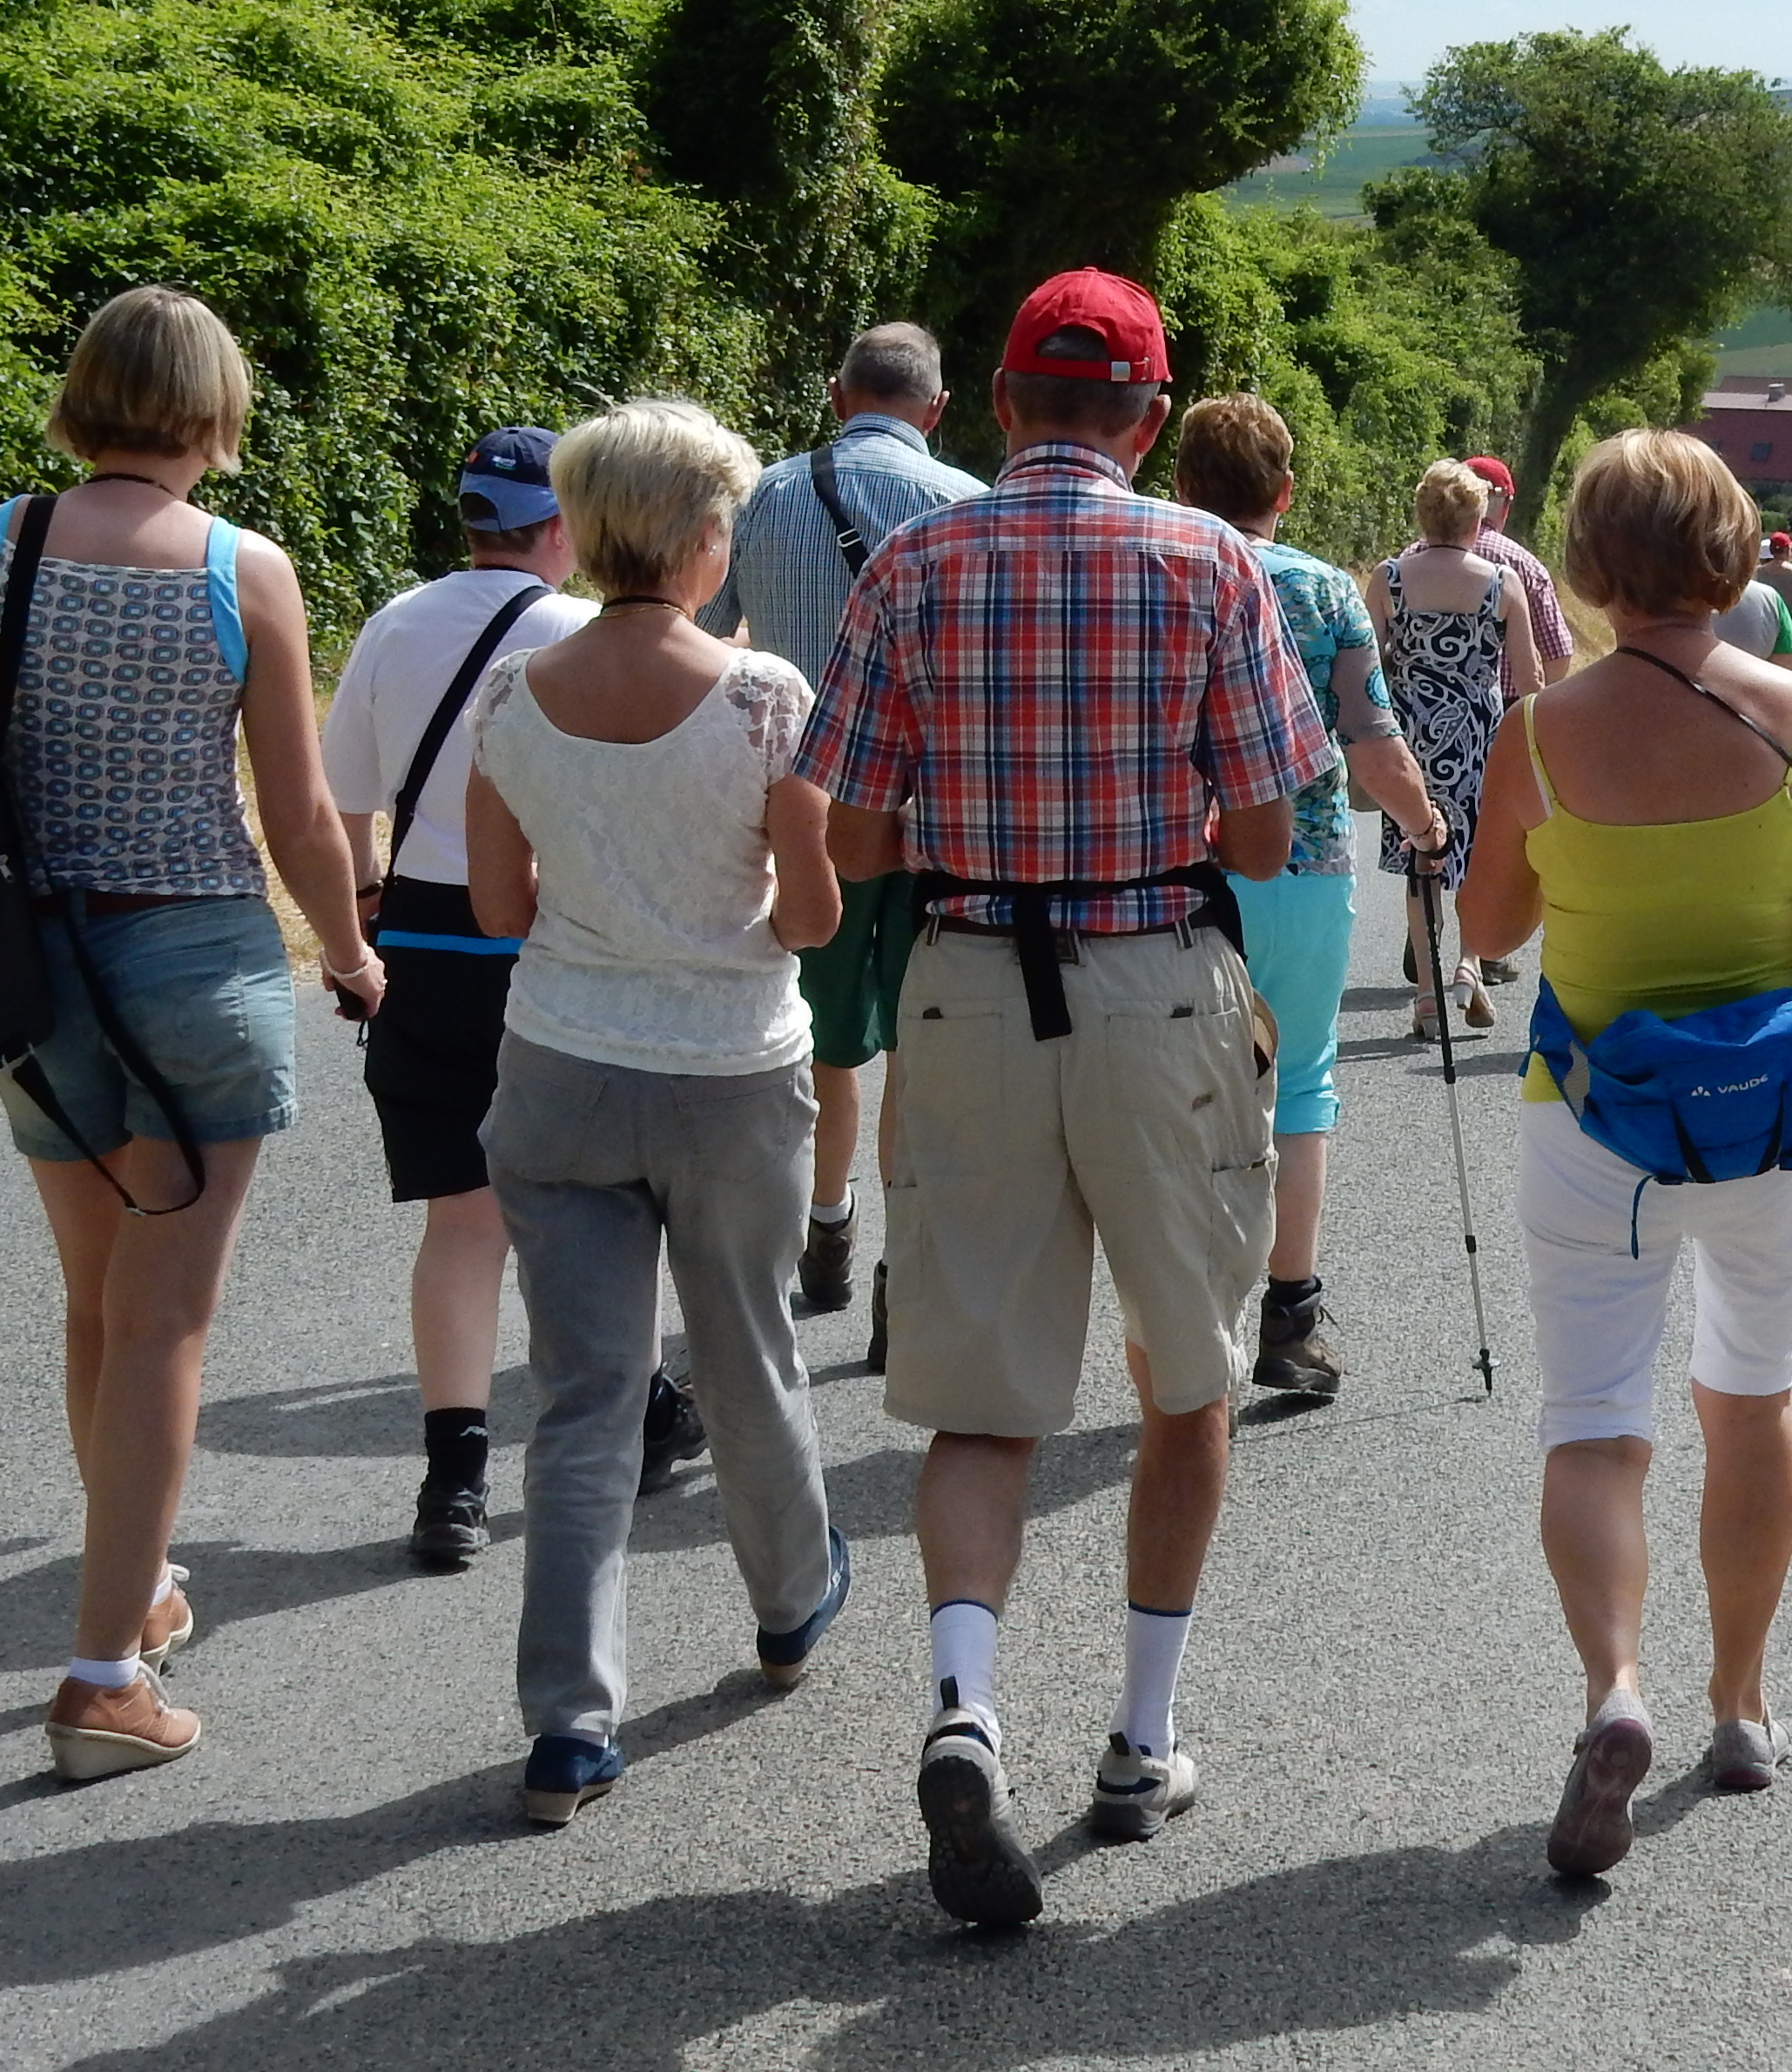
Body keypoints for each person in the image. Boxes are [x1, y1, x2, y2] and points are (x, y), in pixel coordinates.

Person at [801, 268, 1337, 1928]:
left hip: (966, 979)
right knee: (1185, 1381)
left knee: (981, 1400)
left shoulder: (910, 564)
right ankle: (1139, 1739)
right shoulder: (1208, 562)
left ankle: (965, 1703)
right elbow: (1267, 835)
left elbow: (852, 837)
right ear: (1147, 419)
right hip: (1156, 978)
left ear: (1003, 400)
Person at [0, 284, 379, 1786]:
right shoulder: (243, 569)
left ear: (84, 392)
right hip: (193, 962)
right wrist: (349, 951)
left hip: (32, 977)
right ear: (214, 408)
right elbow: (296, 811)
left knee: (99, 1307)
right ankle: (102, 1681)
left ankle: (141, 1587)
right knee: (167, 1322)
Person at [1457, 428, 1792, 1879]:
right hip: (1769, 1122)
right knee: (1750, 1403)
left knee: (1593, 1424)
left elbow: (1487, 930)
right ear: (1735, 549)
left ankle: (1614, 1690)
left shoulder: (1537, 736)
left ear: (1587, 565)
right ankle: (1741, 1706)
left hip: (1591, 1119)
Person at [466, 400, 854, 1831]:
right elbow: (809, 917)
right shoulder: (765, 699)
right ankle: (790, 1604)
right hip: (730, 1072)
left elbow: (499, 907)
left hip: (560, 1067)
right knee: (747, 1353)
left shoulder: (513, 693)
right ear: (701, 537)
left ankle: (568, 1723)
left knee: (584, 1398)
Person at [320, 428, 600, 1571]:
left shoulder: (394, 623)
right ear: (561, 525)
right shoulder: (577, 634)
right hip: (539, 940)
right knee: (584, 1205)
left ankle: (454, 1481)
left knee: (462, 1224)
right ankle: (637, 1408)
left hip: (420, 945)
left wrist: (361, 909)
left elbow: (341, 795)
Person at [704, 321, 986, 1345]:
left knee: (816, 1033)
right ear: (938, 409)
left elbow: (707, 640)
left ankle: (825, 1224)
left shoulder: (765, 497)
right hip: (931, 816)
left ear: (837, 395)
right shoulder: (969, 506)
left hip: (805, 811)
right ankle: (902, 1270)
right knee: (922, 1038)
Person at [1169, 394, 1446, 1403]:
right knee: (1299, 1080)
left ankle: (1187, 1314)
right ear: (1285, 491)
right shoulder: (1326, 589)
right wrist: (1425, 826)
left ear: (1181, 485)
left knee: (1174, 1083)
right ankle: (1290, 1315)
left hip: (1172, 867)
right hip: (1304, 861)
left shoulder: (1161, 565)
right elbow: (1371, 739)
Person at [1367, 459, 1546, 1038]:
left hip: (1411, 738)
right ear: (1478, 521)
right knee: (1474, 853)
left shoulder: (1389, 579)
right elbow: (1530, 678)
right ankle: (1469, 966)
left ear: (1422, 516)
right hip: (1477, 736)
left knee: (1421, 856)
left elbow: (1366, 667)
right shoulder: (1501, 583)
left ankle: (1427, 995)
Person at [1462, 455, 1574, 688]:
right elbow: (1557, 656)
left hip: (1415, 704)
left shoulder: (1411, 557)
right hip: (1505, 705)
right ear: (1505, 506)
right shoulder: (1525, 565)